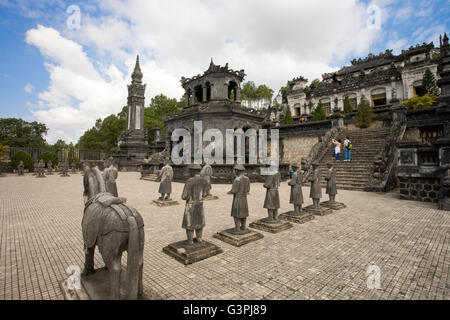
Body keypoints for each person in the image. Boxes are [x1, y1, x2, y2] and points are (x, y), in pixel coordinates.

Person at [181, 164, 209, 245]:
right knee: (199, 222)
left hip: (191, 204)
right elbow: (206, 194)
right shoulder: (204, 181)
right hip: (200, 204)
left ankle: (190, 241)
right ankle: (199, 238)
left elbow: (184, 196)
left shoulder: (190, 181)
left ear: (192, 171)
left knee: (189, 223)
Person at [230, 164, 250, 233]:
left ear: (237, 171)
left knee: (236, 214)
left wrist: (230, 192)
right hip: (244, 198)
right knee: (244, 213)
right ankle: (244, 227)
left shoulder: (237, 179)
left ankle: (237, 228)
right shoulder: (247, 179)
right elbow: (248, 190)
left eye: (235, 171)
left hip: (237, 199)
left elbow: (234, 190)